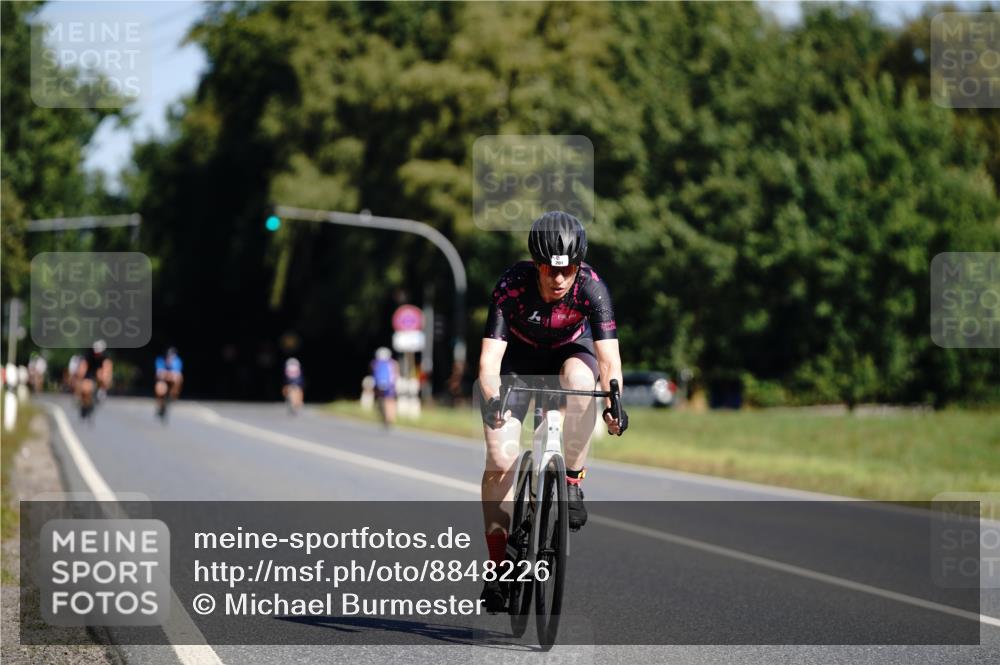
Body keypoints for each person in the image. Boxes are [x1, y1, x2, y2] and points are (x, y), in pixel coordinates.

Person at [477, 210, 628, 611]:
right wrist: (493, 397)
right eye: (550, 269)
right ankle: (498, 567)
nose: (559, 279)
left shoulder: (592, 288)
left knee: (583, 382)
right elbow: (490, 362)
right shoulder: (512, 285)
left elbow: (609, 363)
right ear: (536, 264)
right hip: (518, 363)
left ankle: (573, 480)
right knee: (499, 457)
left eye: (568, 270)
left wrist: (614, 404)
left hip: (569, 356)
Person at [77, 340, 112, 419]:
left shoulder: (105, 357)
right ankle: (84, 404)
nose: (97, 355)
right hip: (89, 372)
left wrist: (105, 379)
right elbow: (83, 367)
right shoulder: (88, 354)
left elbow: (107, 368)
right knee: (85, 388)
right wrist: (81, 378)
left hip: (98, 372)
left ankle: (101, 391)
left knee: (103, 375)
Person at [370, 347, 399, 428]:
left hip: (378, 384)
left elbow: (373, 373)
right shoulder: (393, 363)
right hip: (390, 385)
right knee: (390, 401)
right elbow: (396, 374)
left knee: (380, 399)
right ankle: (390, 418)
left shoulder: (375, 363)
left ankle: (384, 416)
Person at [154, 347, 184, 419]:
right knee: (160, 388)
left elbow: (177, 375)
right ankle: (160, 405)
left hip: (172, 382)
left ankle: (173, 395)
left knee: (179, 379)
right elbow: (159, 375)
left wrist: (166, 374)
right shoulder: (160, 360)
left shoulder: (177, 361)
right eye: (168, 357)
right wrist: (169, 375)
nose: (169, 359)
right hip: (163, 381)